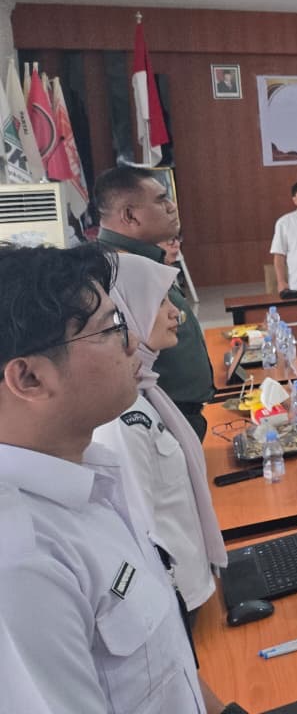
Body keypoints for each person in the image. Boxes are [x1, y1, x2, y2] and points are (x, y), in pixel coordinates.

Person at [0, 243, 229, 714]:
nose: (132, 344)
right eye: (111, 328)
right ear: (29, 379)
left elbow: (162, 662)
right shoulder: (23, 565)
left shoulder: (90, 476)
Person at [93, 253, 228, 617]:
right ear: (126, 311)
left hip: (195, 584)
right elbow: (141, 529)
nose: (176, 314)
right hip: (177, 601)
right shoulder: (122, 417)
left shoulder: (146, 388)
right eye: (161, 302)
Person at [95, 167, 214, 440]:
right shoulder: (115, 269)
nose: (172, 207)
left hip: (177, 411)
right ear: (129, 215)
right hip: (156, 416)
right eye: (161, 200)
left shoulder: (144, 259)